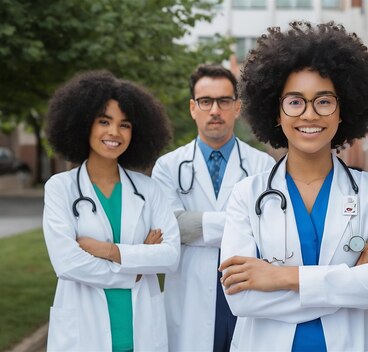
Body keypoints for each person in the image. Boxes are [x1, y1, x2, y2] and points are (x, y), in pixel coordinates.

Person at [217, 21, 368, 351]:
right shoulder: (247, 195)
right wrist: (351, 281)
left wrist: (282, 277)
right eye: (295, 102)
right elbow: (242, 299)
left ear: (342, 112)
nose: (310, 114)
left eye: (324, 101)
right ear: (276, 113)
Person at [43, 71, 180, 351]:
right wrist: (137, 267)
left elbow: (170, 256)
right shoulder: (61, 188)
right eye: (104, 121)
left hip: (140, 333)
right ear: (84, 125)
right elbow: (67, 263)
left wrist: (108, 251)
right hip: (84, 334)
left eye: (125, 124)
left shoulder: (148, 189)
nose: (114, 133)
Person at [151, 64, 275, 351]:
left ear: (237, 107)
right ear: (193, 108)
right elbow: (170, 227)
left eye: (224, 101)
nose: (215, 110)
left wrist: (194, 227)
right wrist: (243, 224)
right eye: (206, 101)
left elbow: (269, 230)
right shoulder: (168, 167)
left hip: (247, 290)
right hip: (190, 295)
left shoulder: (263, 167)